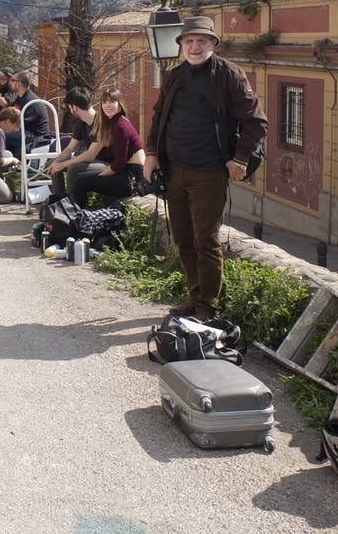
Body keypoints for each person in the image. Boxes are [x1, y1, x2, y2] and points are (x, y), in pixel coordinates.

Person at [144, 16, 268, 321]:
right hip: (174, 171)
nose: (195, 46)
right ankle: (195, 297)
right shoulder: (174, 76)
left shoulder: (229, 75)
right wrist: (151, 154)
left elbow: (256, 122)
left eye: (202, 41)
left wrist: (239, 160)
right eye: (189, 41)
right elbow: (159, 117)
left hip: (209, 174)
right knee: (184, 239)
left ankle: (206, 310)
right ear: (182, 45)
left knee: (206, 241)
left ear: (213, 44)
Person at [64, 88, 146, 208]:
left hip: (132, 178)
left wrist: (98, 177)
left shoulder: (120, 126)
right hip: (125, 172)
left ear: (120, 104)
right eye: (104, 102)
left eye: (112, 102)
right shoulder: (112, 122)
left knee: (81, 183)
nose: (108, 105)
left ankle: (76, 219)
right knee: (83, 181)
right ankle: (74, 214)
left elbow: (119, 163)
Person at [44, 87, 97, 199]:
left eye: (68, 107)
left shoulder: (100, 122)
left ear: (74, 107)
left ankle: (74, 206)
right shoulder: (81, 123)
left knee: (73, 168)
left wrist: (63, 164)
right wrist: (57, 162)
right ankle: (61, 202)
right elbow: (70, 149)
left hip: (105, 162)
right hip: (91, 160)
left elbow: (91, 155)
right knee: (53, 165)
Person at [4, 71, 50, 158]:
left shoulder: (31, 101)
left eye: (13, 80)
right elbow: (9, 113)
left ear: (19, 83)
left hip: (36, 136)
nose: (10, 82)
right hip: (27, 131)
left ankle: (2, 163)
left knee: (2, 135)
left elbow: (18, 125)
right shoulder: (21, 97)